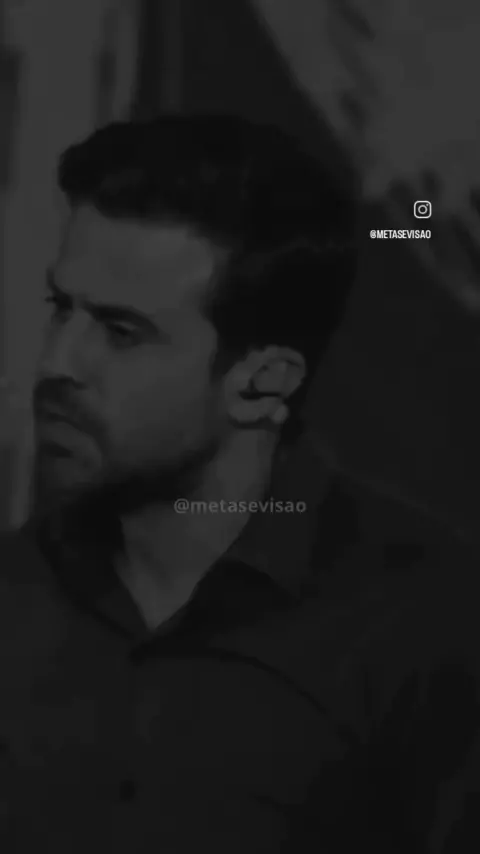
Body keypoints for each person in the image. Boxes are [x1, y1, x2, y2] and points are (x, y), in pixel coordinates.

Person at [0, 113, 479, 853]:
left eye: (121, 332)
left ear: (263, 383)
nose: (56, 364)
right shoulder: (16, 593)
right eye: (60, 308)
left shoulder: (430, 624)